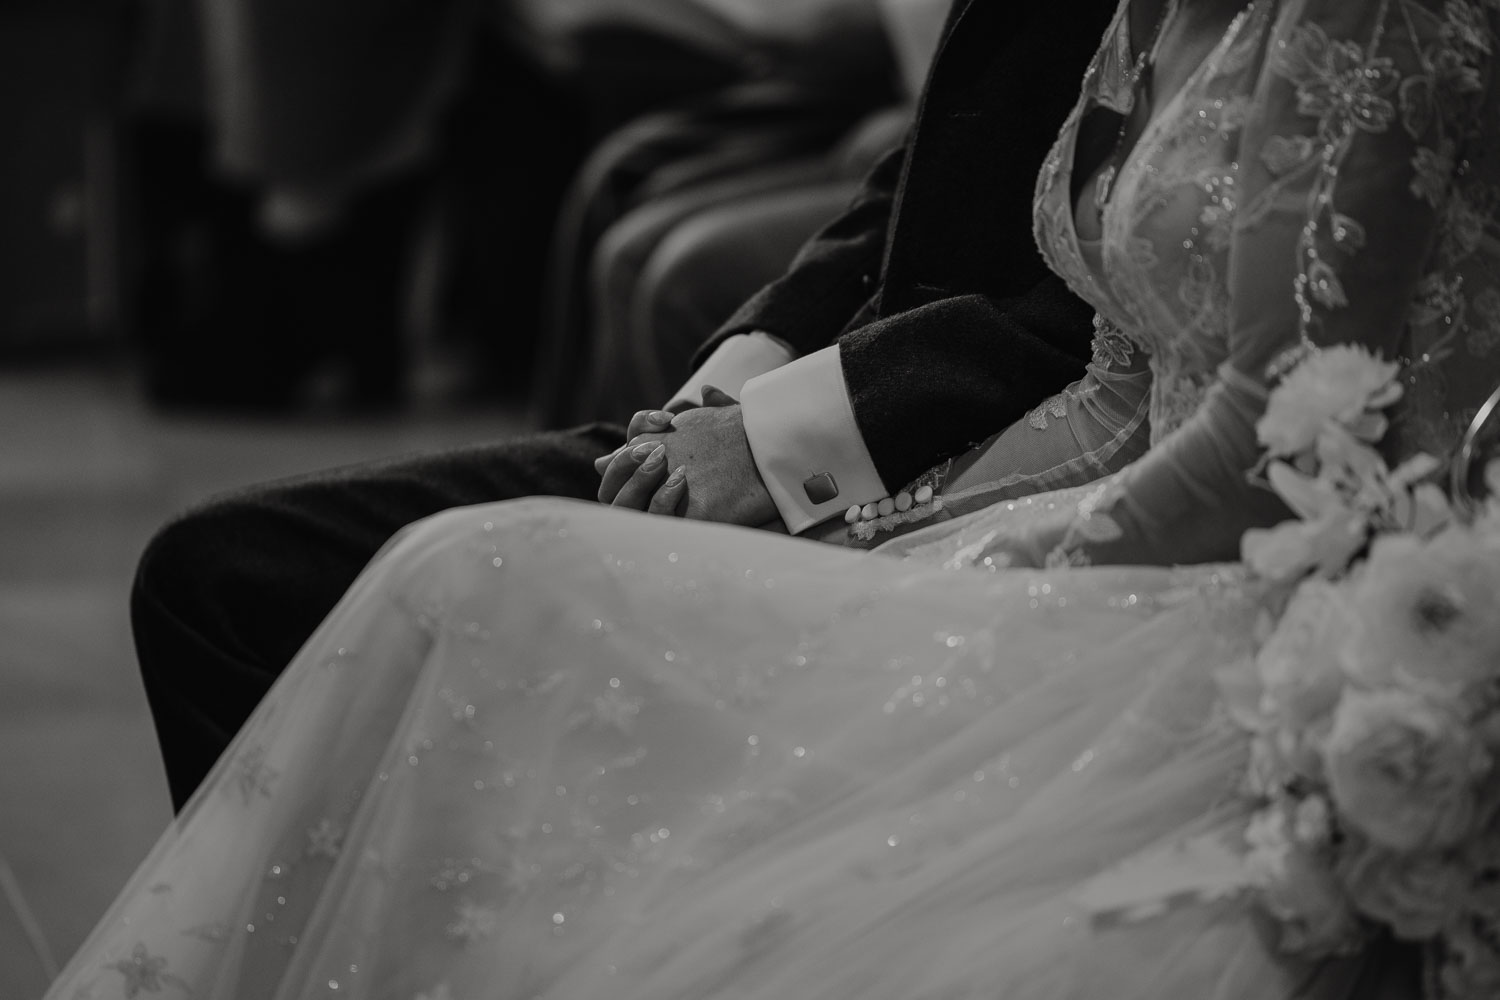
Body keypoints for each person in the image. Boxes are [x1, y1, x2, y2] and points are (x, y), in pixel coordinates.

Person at [65, 0, 1499, 996]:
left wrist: (966, 575)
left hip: (1255, 590)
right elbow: (1113, 367)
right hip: (1045, 499)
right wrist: (895, 534)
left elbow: (1264, 426)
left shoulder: (1367, 22)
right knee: (439, 580)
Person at [130, 0, 1124, 810]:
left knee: (226, 584)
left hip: (962, 468)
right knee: (216, 572)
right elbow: (948, 152)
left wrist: (772, 444)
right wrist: (740, 373)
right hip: (854, 392)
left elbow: (1106, 326)